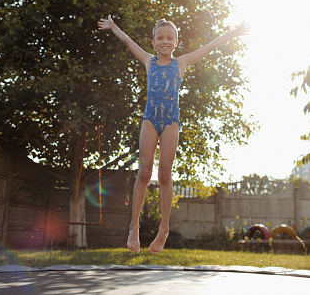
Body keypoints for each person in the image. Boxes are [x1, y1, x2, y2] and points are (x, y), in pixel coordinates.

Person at [97, 15, 248, 253]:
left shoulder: (182, 63)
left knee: (165, 174)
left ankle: (163, 229)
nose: (164, 41)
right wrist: (114, 27)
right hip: (150, 119)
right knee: (144, 172)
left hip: (171, 122)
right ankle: (134, 226)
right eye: (160, 38)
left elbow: (210, 46)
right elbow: (128, 42)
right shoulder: (149, 61)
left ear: (176, 41)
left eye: (169, 37)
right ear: (153, 42)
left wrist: (233, 33)